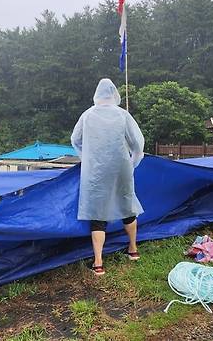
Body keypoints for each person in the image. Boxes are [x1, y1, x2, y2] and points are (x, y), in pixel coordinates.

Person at [71, 78, 145, 276]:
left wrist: (86, 157)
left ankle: (98, 262)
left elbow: (75, 139)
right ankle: (133, 249)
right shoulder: (123, 115)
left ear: (97, 95)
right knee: (127, 203)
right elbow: (138, 143)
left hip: (95, 170)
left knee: (97, 212)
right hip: (120, 166)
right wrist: (132, 163)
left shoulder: (87, 115)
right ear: (114, 95)